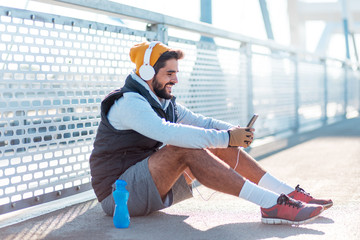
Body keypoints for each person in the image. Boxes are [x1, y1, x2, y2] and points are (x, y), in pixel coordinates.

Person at [89, 41, 332, 225]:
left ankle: (285, 193)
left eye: (176, 73)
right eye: (169, 74)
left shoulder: (163, 101)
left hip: (147, 186)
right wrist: (226, 138)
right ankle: (271, 204)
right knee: (182, 146)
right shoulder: (128, 102)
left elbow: (201, 122)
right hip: (118, 196)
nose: (175, 80)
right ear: (146, 72)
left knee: (211, 139)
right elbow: (165, 132)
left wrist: (232, 132)